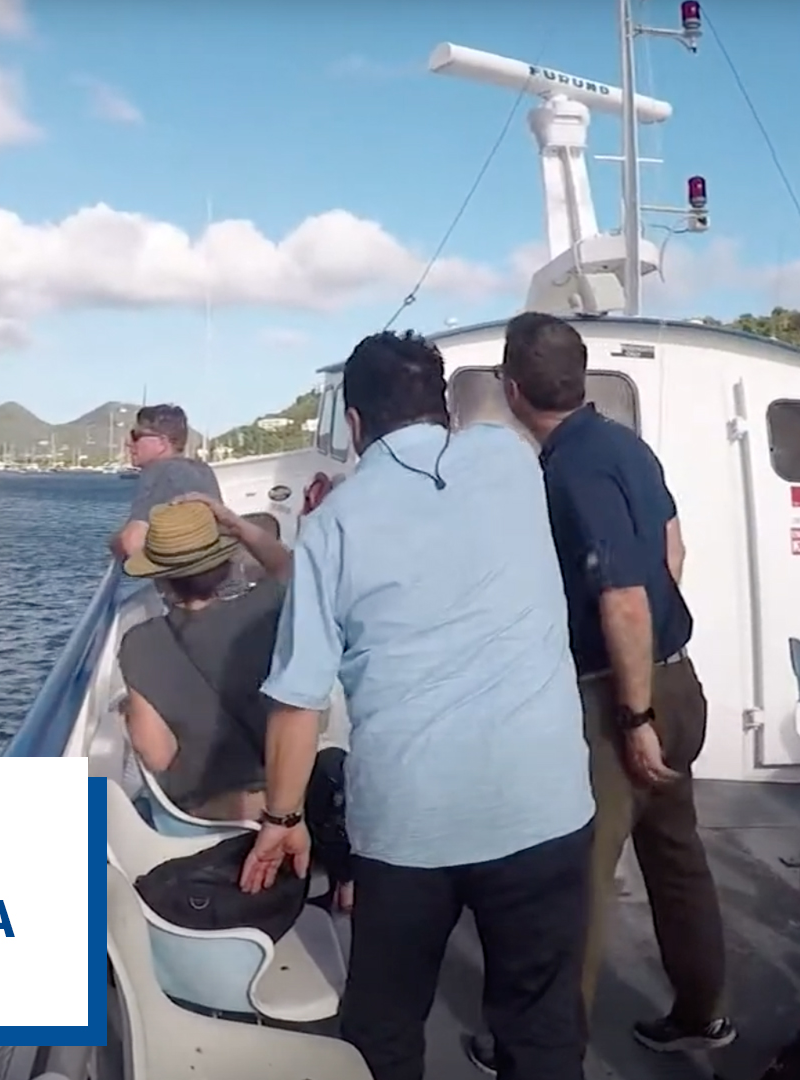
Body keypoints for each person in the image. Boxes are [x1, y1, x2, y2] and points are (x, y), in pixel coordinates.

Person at [239, 329, 595, 1080]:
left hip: (409, 829)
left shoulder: (334, 528)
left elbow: (299, 699)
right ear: (444, 406)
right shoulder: (511, 460)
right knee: (542, 1026)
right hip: (544, 804)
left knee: (386, 1025)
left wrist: (281, 819)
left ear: (357, 425)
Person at [472, 312, 732, 1072]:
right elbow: (670, 547)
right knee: (677, 858)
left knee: (578, 873)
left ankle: (552, 1047)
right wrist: (656, 661)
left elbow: (620, 594)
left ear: (514, 390)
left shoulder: (570, 466)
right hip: (682, 680)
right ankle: (702, 1012)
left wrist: (633, 708)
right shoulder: (625, 446)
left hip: (624, 700)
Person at [118, 495, 294, 823]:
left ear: (159, 577)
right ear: (227, 566)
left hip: (200, 818)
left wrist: (129, 717)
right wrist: (235, 523)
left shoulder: (138, 643)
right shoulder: (266, 611)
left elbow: (158, 755)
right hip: (283, 808)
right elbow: (288, 567)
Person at [111, 404, 221, 565]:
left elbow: (131, 544)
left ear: (162, 442)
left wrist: (114, 542)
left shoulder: (160, 471)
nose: (129, 443)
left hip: (188, 587)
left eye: (136, 435)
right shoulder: (203, 470)